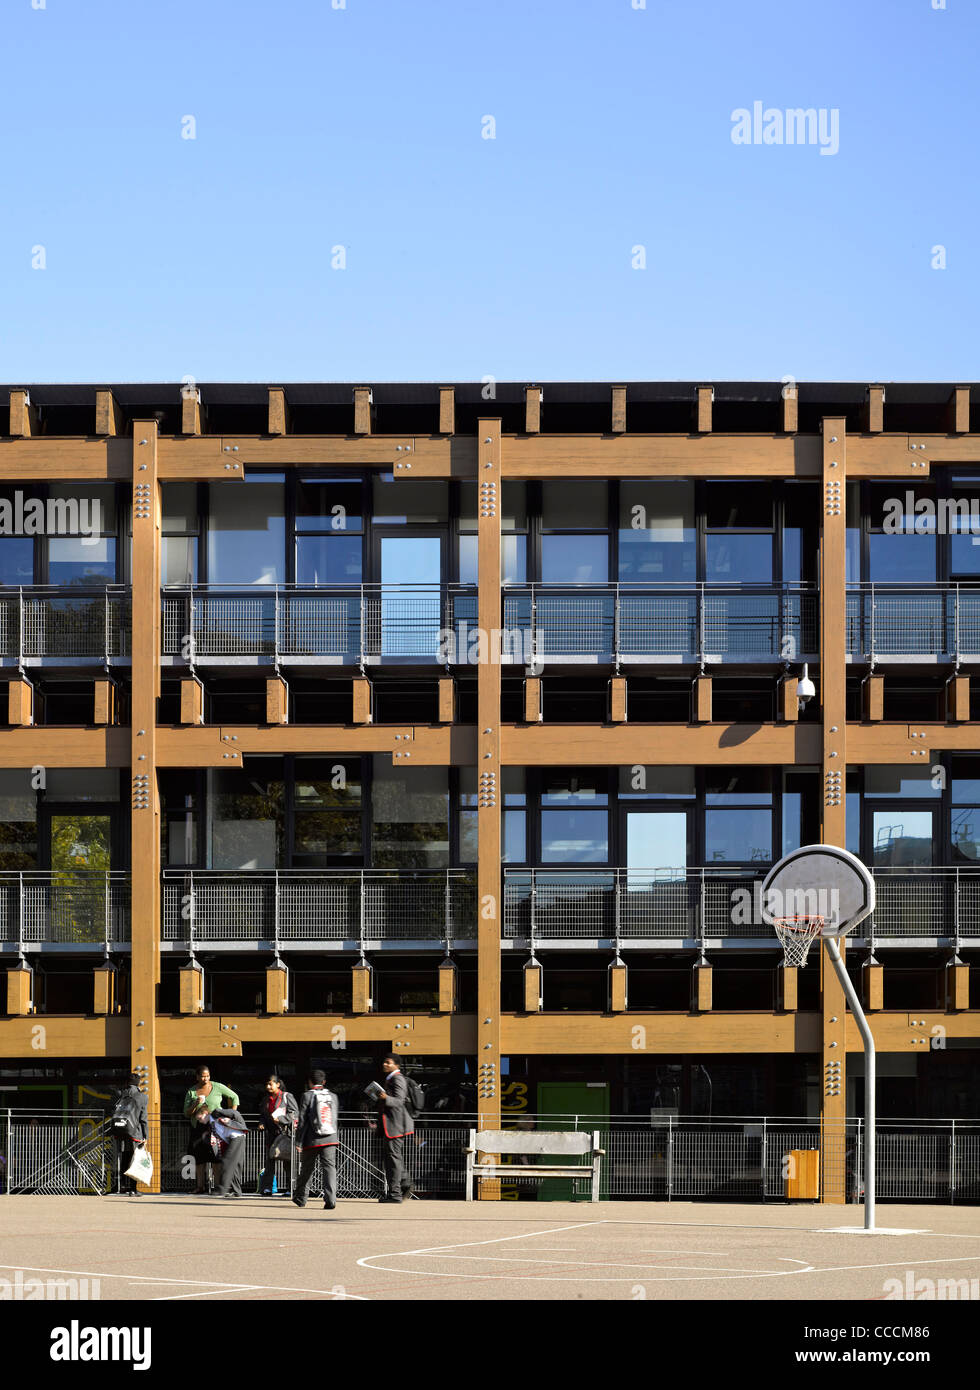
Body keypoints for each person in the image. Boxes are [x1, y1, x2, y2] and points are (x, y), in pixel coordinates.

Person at [183, 1065, 240, 1194]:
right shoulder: (191, 1091)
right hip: (197, 1127)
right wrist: (195, 1103)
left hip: (216, 1127)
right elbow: (186, 1113)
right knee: (199, 1158)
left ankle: (218, 1186)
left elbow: (234, 1097)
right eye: (202, 1076)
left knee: (216, 1156)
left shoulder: (218, 1086)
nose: (205, 1078)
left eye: (207, 1075)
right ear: (197, 1077)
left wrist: (232, 1114)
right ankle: (200, 1186)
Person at [293, 1071, 340, 1211]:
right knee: (329, 1169)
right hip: (330, 1138)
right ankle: (331, 1200)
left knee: (307, 1169)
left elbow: (302, 1120)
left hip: (311, 1139)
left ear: (309, 1082)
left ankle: (301, 1198)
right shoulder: (333, 1096)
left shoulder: (307, 1095)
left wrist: (298, 1141)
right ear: (324, 1082)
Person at [374, 1054, 414, 1204]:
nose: (384, 1064)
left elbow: (399, 1100)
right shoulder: (392, 1078)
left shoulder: (397, 1078)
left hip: (395, 1126)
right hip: (391, 1125)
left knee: (393, 1160)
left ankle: (396, 1193)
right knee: (393, 1158)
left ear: (396, 1065)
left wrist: (385, 1098)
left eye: (388, 1062)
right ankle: (402, 1184)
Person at [258, 1073, 298, 1196]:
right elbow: (263, 1115)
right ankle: (267, 1188)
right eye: (266, 1084)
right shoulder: (265, 1099)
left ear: (278, 1084)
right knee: (269, 1161)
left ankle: (290, 1189)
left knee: (287, 1161)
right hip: (271, 1134)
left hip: (284, 1133)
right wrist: (261, 1123)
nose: (268, 1086)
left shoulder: (286, 1096)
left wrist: (281, 1119)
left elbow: (295, 1113)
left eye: (271, 1083)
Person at [198, 1103, 249, 1198]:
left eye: (199, 1118)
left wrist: (242, 1126)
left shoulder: (216, 1113)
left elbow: (235, 1113)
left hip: (236, 1136)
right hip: (236, 1137)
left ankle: (222, 1189)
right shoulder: (211, 1123)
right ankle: (236, 1191)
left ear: (205, 1113)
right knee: (236, 1165)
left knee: (227, 1162)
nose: (199, 1121)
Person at [111, 1072, 149, 1196]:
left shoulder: (121, 1094)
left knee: (123, 1159)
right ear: (138, 1083)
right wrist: (145, 1136)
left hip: (120, 1130)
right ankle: (133, 1189)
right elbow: (143, 1119)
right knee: (135, 1159)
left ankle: (120, 1186)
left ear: (127, 1082)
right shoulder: (142, 1097)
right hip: (135, 1133)